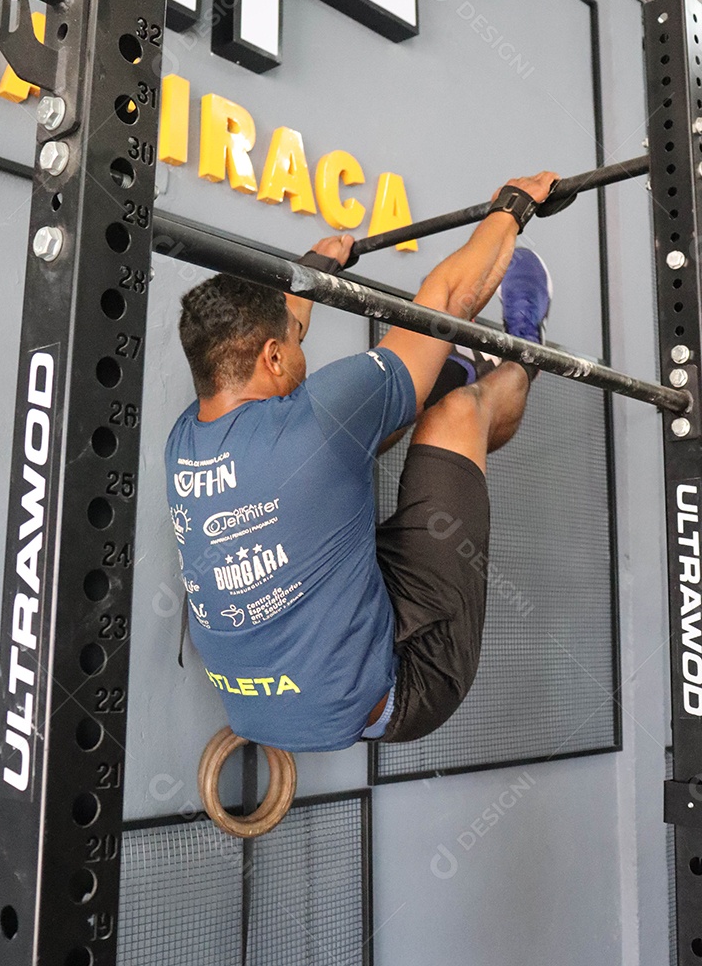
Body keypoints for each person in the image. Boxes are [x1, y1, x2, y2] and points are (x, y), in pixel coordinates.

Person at [166, 171, 558, 751]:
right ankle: (526, 346)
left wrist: (312, 270)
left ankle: (434, 368)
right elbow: (446, 297)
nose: (301, 347)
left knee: (344, 440)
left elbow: (279, 327)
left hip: (276, 698)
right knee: (454, 414)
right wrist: (514, 205)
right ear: (273, 355)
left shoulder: (185, 439)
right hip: (407, 682)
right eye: (293, 344)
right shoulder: (315, 420)